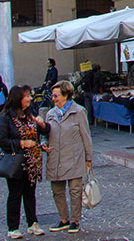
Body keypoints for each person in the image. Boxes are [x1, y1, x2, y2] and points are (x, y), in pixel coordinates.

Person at [0, 85, 48, 238]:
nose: (30, 99)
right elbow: (1, 139)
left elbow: (42, 133)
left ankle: (33, 223)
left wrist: (42, 126)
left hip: (32, 160)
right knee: (15, 193)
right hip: (16, 160)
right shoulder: (6, 117)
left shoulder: (29, 115)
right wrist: (21, 143)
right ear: (19, 99)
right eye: (27, 96)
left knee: (30, 193)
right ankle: (13, 227)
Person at [45, 80, 92, 234]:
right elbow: (45, 134)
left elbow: (86, 136)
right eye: (53, 96)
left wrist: (88, 158)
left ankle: (75, 220)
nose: (53, 98)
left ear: (66, 95)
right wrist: (43, 143)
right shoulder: (50, 114)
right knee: (57, 191)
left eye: (56, 95)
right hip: (55, 157)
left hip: (74, 157)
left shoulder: (79, 112)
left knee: (75, 191)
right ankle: (63, 219)